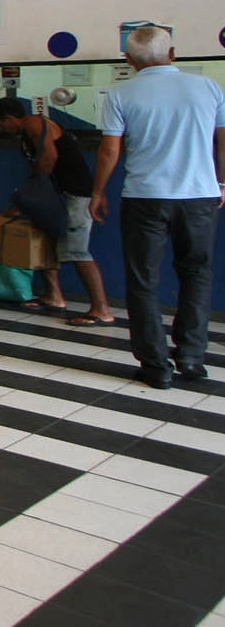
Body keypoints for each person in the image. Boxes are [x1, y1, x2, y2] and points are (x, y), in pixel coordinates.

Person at [91, 26, 225, 389]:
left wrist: (98, 192)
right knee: (197, 273)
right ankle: (192, 358)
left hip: (145, 198)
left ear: (129, 59)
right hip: (199, 196)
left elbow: (110, 151)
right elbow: (223, 141)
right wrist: (221, 183)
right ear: (173, 54)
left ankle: (155, 365)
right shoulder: (209, 88)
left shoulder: (120, 93)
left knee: (143, 280)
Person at [0, 98, 113, 326]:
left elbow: (49, 157)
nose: (0, 129)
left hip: (76, 193)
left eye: (0, 124)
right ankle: (54, 296)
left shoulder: (34, 122)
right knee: (47, 241)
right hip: (59, 194)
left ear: (9, 119)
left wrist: (33, 193)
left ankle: (101, 309)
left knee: (76, 250)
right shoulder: (26, 134)